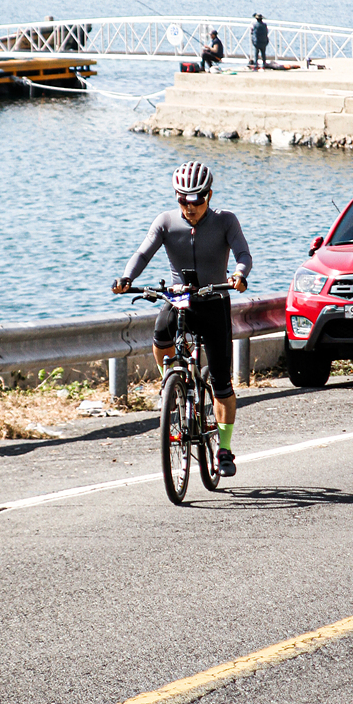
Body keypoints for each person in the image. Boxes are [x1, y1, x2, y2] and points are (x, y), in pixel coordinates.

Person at [113, 161, 252, 477]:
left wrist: (239, 274)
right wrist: (126, 277)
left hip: (214, 300)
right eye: (182, 200)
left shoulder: (226, 221)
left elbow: (243, 254)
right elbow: (143, 253)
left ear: (209, 195)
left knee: (221, 383)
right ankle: (171, 384)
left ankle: (224, 449)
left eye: (196, 201)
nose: (189, 207)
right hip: (180, 299)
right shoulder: (165, 222)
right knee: (161, 333)